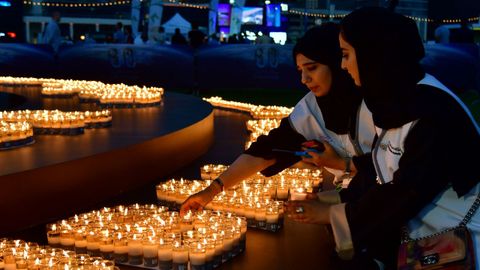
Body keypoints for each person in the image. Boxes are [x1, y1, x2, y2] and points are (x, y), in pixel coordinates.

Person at [286, 7, 480, 269]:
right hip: (422, 241)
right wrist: (335, 200)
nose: (342, 65)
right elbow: (382, 166)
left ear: (374, 55)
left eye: (346, 55)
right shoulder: (396, 101)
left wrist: (334, 215)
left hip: (455, 246)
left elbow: (406, 191)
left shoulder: (433, 111)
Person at [180, 23, 375, 216]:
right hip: (350, 201)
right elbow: (266, 151)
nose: (304, 79)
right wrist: (212, 190)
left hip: (387, 205)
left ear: (335, 62)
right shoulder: (310, 110)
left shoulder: (377, 105)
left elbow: (393, 163)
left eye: (312, 68)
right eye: (300, 71)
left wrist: (342, 164)